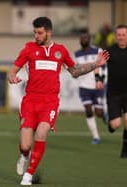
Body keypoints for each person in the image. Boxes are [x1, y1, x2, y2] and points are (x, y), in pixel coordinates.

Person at [8, 17, 109, 185]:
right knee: (25, 145)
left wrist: (95, 64)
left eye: (39, 33)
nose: (36, 36)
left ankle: (28, 176)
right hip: (30, 101)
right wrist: (12, 77)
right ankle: (24, 156)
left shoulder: (60, 51)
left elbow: (75, 72)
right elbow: (13, 71)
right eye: (35, 33)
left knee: (41, 133)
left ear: (49, 32)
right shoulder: (28, 49)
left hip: (50, 102)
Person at [74, 31, 106, 145]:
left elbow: (104, 67)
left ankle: (104, 114)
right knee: (88, 110)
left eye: (85, 38)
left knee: (98, 112)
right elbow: (75, 70)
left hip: (97, 86)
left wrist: (101, 80)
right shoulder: (76, 54)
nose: (83, 40)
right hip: (84, 87)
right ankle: (96, 136)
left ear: (89, 39)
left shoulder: (98, 51)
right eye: (81, 38)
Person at [106, 25, 127, 158]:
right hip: (114, 93)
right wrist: (98, 78)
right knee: (116, 124)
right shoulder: (109, 51)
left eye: (124, 35)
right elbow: (98, 64)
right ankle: (111, 124)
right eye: (119, 35)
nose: (121, 37)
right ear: (115, 36)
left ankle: (125, 148)